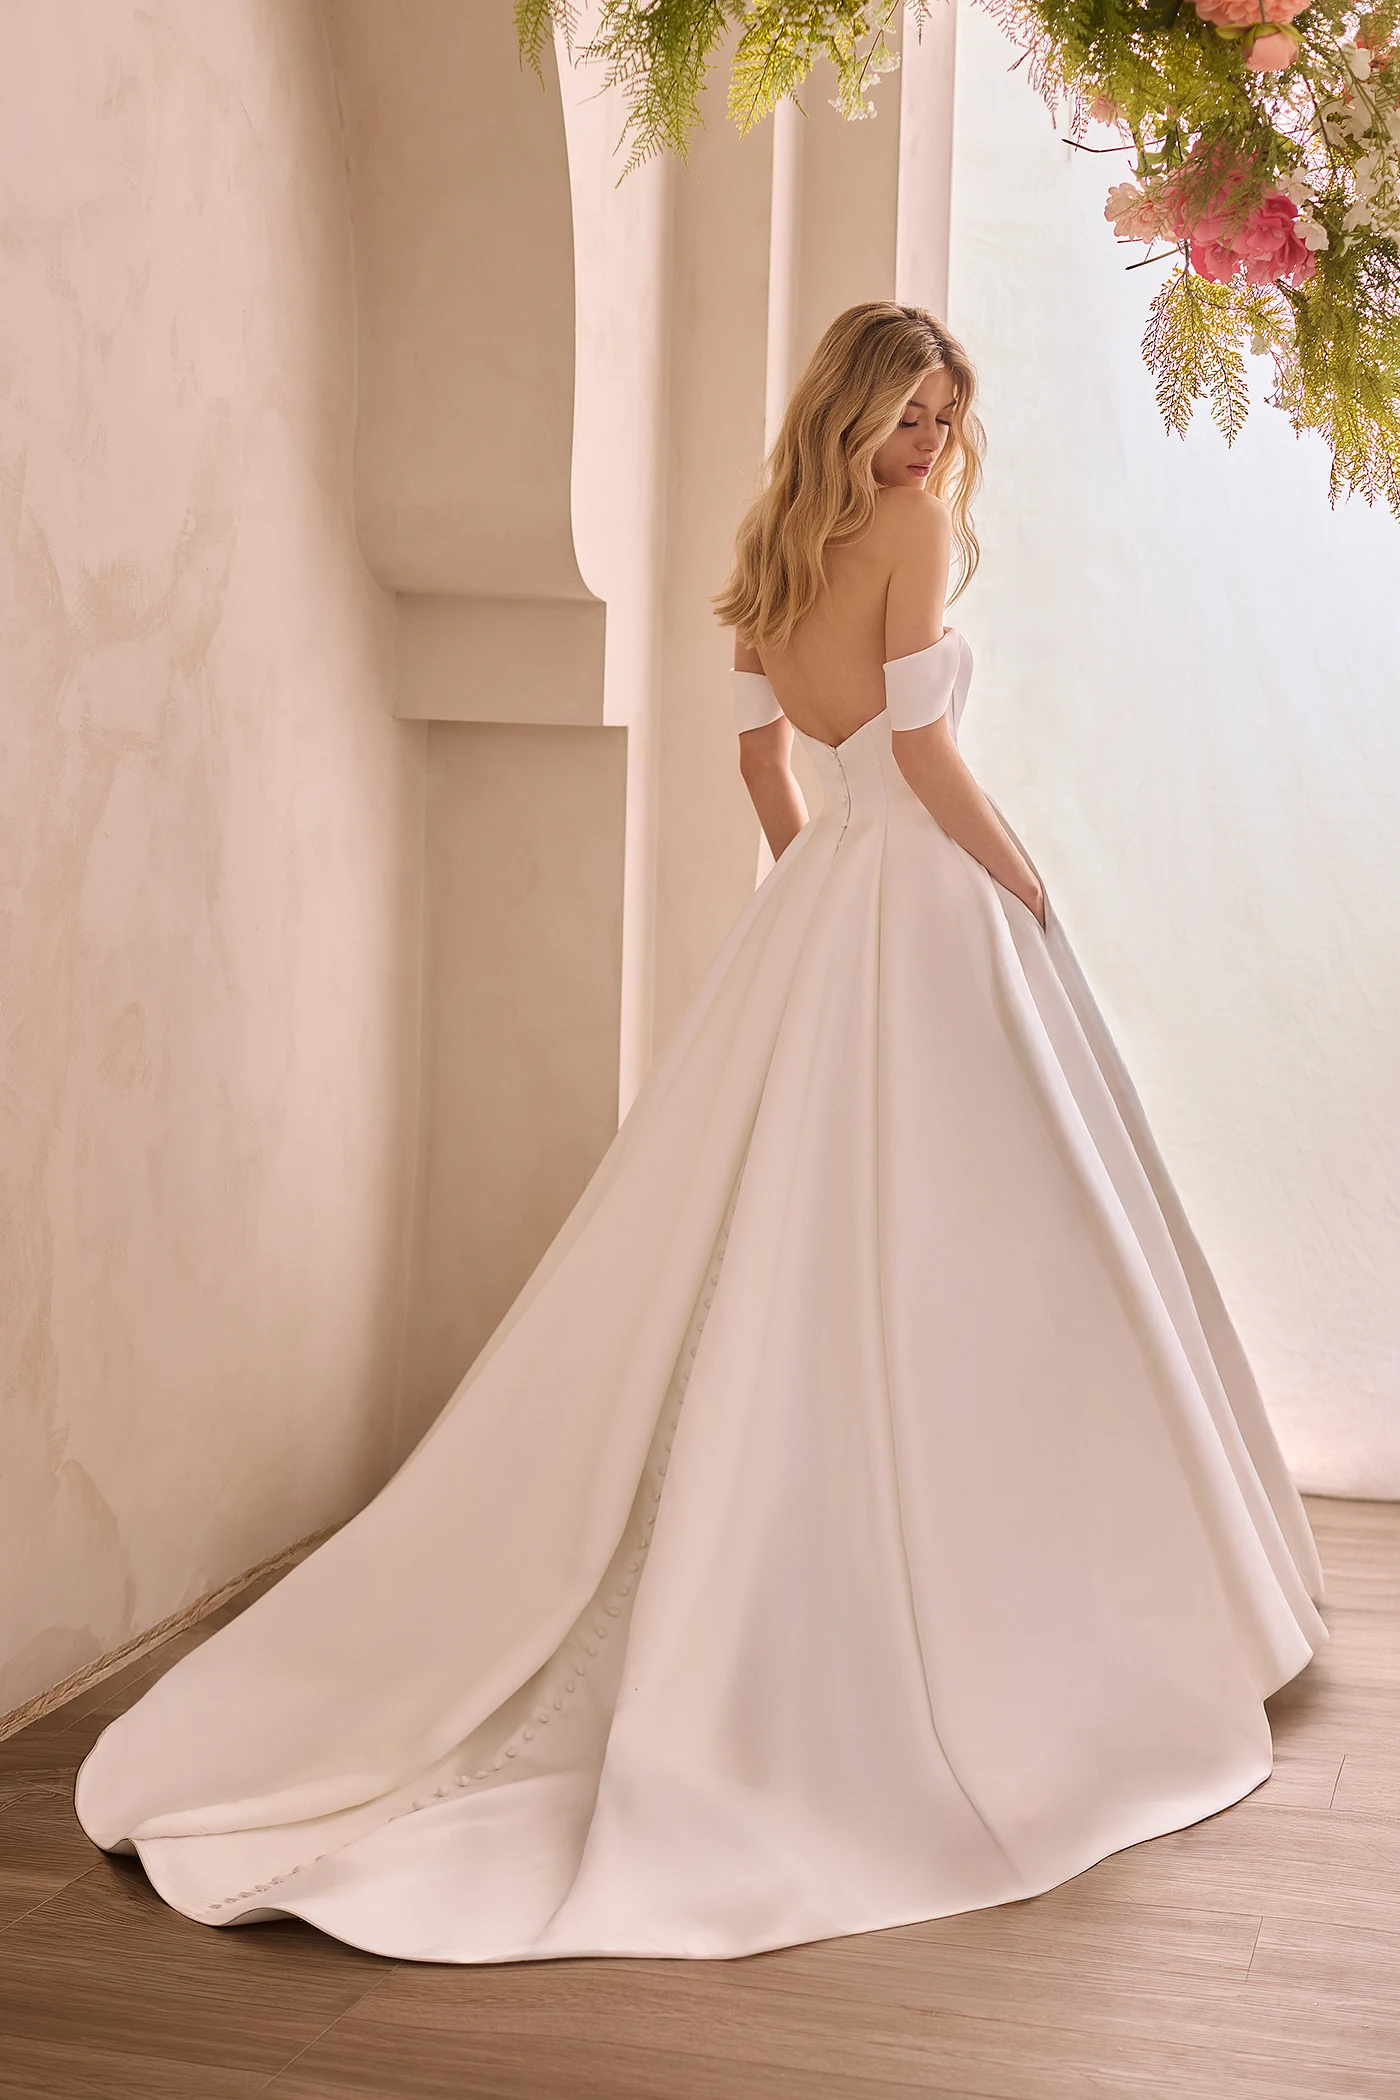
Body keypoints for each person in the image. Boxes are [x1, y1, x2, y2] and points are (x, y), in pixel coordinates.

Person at [75, 302, 1324, 1965]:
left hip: (825, 899)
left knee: (819, 1228)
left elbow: (765, 770)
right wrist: (1018, 881)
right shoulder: (917, 533)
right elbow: (930, 747)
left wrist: (822, 890)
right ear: (857, 414)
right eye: (908, 415)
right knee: (983, 1233)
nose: (930, 444)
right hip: (920, 892)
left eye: (946, 417)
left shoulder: (768, 547)